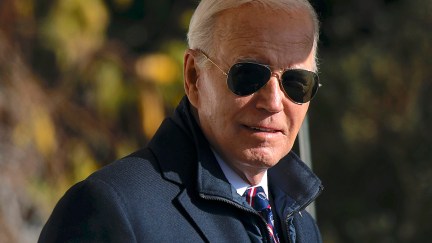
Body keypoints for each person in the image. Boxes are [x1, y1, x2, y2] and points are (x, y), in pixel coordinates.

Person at [39, 0, 323, 242]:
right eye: (248, 75)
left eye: (297, 82)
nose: (273, 102)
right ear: (193, 77)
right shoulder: (111, 209)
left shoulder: (301, 225)